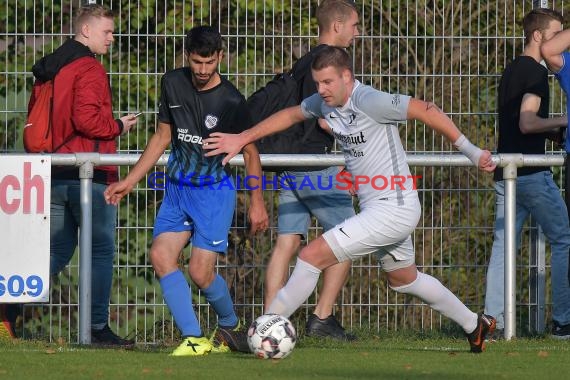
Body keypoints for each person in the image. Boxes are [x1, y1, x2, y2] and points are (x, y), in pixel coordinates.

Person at [203, 45, 498, 353]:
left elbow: (427, 110)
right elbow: (290, 115)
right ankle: (475, 325)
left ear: (347, 76)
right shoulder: (324, 103)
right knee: (403, 278)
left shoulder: (369, 100)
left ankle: (260, 333)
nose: (321, 90)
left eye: (328, 82)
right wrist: (243, 137)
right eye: (317, 83)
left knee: (309, 256)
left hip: (394, 208)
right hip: (380, 207)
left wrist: (472, 151)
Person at [104, 25, 269, 356]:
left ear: (220, 57)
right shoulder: (172, 82)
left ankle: (230, 325)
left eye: (210, 63)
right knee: (161, 255)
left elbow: (250, 154)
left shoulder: (232, 101)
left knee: (199, 272)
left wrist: (257, 202)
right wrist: (130, 180)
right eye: (197, 62)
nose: (203, 70)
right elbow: (162, 137)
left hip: (212, 193)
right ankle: (194, 339)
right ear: (187, 56)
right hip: (178, 189)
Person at [27, 4, 138, 346]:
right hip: (90, 171)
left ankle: (10, 303)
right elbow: (87, 120)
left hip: (56, 170)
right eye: (107, 31)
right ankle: (96, 328)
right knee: (101, 250)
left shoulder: (52, 66)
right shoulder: (88, 67)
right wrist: (118, 125)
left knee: (58, 250)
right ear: (86, 30)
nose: (112, 37)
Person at [259, 0, 359, 340]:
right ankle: (322, 316)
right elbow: (322, 116)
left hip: (289, 165)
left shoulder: (302, 62)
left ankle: (269, 320)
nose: (357, 33)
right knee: (351, 236)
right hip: (316, 165)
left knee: (287, 242)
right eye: (354, 26)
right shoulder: (327, 63)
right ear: (337, 27)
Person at [484, 8, 570, 339]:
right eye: (555, 35)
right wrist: (563, 122)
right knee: (563, 238)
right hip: (531, 174)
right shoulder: (535, 74)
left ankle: (493, 321)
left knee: (503, 245)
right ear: (538, 36)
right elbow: (527, 121)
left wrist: (551, 133)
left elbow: (519, 126)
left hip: (507, 172)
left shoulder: (512, 70)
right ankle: (563, 320)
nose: (560, 45)